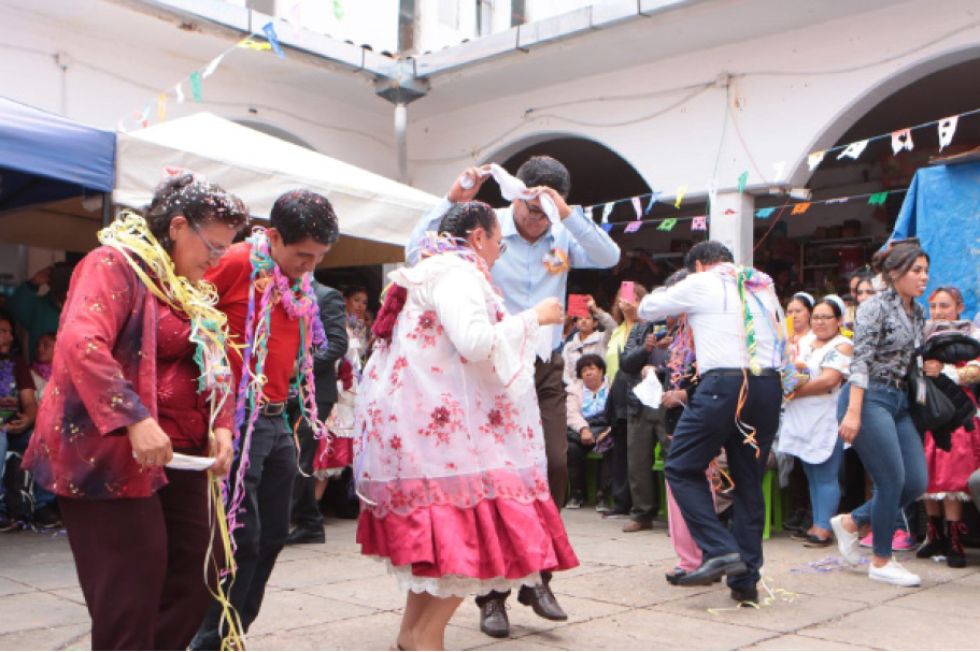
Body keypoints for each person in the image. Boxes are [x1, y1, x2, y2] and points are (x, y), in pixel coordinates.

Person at [22, 174, 245, 649]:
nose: (218, 258)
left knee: (197, 573)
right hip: (111, 454)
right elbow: (82, 342)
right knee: (131, 588)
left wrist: (223, 424)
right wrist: (135, 418)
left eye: (227, 248)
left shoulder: (188, 289)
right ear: (179, 226)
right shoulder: (115, 264)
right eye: (213, 245)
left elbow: (215, 358)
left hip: (181, 454)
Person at [406, 156, 619, 638]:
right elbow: (415, 246)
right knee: (495, 478)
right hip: (489, 369)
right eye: (529, 206)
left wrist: (566, 214)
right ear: (515, 195)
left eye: (544, 211)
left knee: (555, 466)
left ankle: (536, 573)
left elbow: (608, 257)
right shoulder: (486, 227)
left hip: (542, 364)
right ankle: (492, 595)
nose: (534, 219)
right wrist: (451, 199)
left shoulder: (563, 231)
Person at [356, 201, 578, 651]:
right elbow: (475, 343)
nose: (499, 253)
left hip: (431, 436)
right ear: (478, 238)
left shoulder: (429, 271)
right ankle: (424, 639)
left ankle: (412, 637)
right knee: (465, 554)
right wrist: (535, 317)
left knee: (439, 559)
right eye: (498, 242)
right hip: (455, 444)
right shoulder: (458, 274)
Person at [191, 189, 339, 650]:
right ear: (273, 236)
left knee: (275, 533)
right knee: (241, 536)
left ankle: (235, 632)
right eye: (302, 255)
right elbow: (192, 314)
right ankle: (206, 637)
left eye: (318, 258)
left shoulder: (297, 282)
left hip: (278, 420)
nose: (309, 266)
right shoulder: (236, 262)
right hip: (237, 419)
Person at [638, 241, 789, 603]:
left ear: (700, 265)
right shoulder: (761, 285)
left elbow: (647, 307)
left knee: (680, 466)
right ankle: (746, 581)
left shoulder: (703, 281)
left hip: (726, 384)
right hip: (768, 386)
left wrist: (675, 288)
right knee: (748, 483)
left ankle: (720, 549)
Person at [831, 239, 930, 587]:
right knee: (890, 481)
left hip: (900, 401)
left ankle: (851, 523)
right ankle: (882, 559)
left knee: (916, 480)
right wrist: (854, 412)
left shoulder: (917, 312)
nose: (923, 278)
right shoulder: (875, 308)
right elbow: (861, 361)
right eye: (917, 271)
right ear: (895, 273)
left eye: (925, 271)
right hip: (868, 397)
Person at [778, 296, 852, 546]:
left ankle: (824, 527)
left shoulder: (842, 345)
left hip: (826, 417)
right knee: (811, 472)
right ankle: (817, 522)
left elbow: (829, 380)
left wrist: (793, 391)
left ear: (839, 320)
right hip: (803, 418)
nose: (820, 322)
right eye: (817, 317)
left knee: (826, 474)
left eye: (826, 317)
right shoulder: (807, 343)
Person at [915, 286, 980, 568]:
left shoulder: (970, 335)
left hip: (956, 413)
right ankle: (934, 533)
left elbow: (976, 370)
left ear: (959, 307)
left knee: (951, 474)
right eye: (934, 306)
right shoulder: (921, 334)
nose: (939, 312)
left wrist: (945, 372)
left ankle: (955, 536)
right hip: (925, 407)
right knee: (925, 474)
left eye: (945, 305)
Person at [285, 278, 349, 545]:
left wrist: (299, 367)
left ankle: (295, 520)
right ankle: (310, 522)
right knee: (292, 454)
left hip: (314, 391)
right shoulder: (279, 292)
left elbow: (337, 344)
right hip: (281, 387)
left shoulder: (327, 295)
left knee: (299, 453)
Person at [617, 308, 673, 532]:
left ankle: (678, 517)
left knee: (674, 460)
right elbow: (626, 363)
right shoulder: (640, 329)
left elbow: (690, 362)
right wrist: (646, 348)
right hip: (640, 400)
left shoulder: (683, 329)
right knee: (638, 461)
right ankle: (642, 513)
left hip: (670, 400)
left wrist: (661, 362)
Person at [601, 283, 649, 517]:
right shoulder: (617, 330)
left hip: (637, 391)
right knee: (619, 446)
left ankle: (637, 502)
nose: (625, 300)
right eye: (621, 297)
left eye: (630, 296)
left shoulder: (646, 327)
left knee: (635, 449)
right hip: (616, 391)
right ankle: (620, 501)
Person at [0, 313, 38, 532]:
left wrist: (29, 419)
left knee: (42, 437)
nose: (10, 338)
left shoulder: (17, 363)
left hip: (16, 427)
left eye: (10, 333)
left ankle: (39, 506)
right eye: (3, 332)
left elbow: (29, 402)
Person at [566, 353, 611, 508]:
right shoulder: (574, 390)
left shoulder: (612, 387)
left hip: (606, 429)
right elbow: (571, 413)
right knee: (571, 449)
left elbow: (618, 413)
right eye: (584, 370)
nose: (588, 373)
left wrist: (609, 431)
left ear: (601, 371)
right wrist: (584, 429)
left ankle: (602, 494)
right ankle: (577, 493)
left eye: (592, 368)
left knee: (610, 446)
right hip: (582, 429)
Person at [8, 262, 71, 359]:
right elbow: (14, 307)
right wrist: (32, 283)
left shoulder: (88, 309)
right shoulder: (38, 307)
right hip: (39, 371)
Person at [562, 296, 616, 385]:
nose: (583, 320)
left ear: (595, 323)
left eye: (587, 318)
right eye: (580, 318)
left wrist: (596, 310)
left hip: (600, 389)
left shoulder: (602, 339)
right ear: (575, 324)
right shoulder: (569, 346)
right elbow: (565, 373)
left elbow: (613, 327)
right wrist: (575, 388)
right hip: (576, 392)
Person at [344, 286, 372, 363]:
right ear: (346, 301)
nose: (360, 306)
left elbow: (360, 352)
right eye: (356, 300)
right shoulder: (338, 321)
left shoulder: (361, 325)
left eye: (364, 303)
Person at [786, 291, 815, 358]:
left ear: (810, 312)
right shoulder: (782, 337)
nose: (793, 316)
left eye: (798, 311)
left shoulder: (816, 338)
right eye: (789, 312)